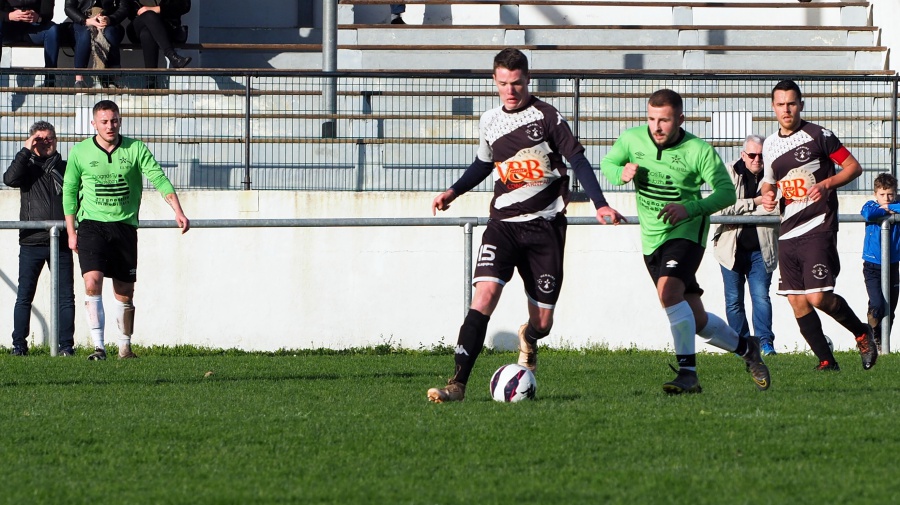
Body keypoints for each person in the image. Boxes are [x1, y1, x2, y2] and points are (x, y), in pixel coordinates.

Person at [426, 48, 625, 403]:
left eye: (516, 83)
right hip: (502, 225)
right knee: (484, 296)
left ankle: (529, 337)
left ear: (528, 80)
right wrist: (453, 191)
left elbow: (577, 159)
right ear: (494, 80)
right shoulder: (489, 120)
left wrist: (601, 203)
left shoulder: (547, 117)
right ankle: (457, 385)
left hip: (545, 228)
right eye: (503, 83)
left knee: (543, 323)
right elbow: (483, 163)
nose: (510, 90)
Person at [600, 89, 770, 394]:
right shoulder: (632, 139)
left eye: (664, 120)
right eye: (651, 119)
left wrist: (689, 209)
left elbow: (725, 193)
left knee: (668, 292)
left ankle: (688, 374)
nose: (656, 127)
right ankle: (747, 348)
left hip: (687, 232)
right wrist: (620, 173)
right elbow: (608, 165)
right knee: (697, 318)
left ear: (680, 119)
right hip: (652, 239)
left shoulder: (698, 150)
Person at [760, 79, 877, 371]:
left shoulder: (818, 136)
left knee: (818, 296)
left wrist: (827, 184)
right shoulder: (770, 144)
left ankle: (862, 333)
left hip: (818, 225)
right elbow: (769, 181)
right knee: (796, 300)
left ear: (801, 104)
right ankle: (827, 361)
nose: (786, 109)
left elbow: (853, 167)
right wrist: (768, 193)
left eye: (791, 103)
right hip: (788, 230)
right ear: (773, 107)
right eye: (780, 104)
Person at [62, 99, 190, 360]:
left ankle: (125, 347)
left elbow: (158, 177)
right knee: (92, 282)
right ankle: (98, 347)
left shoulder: (135, 148)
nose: (110, 126)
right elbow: (69, 191)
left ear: (120, 121)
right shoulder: (80, 152)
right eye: (104, 122)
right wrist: (71, 231)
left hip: (124, 226)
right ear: (94, 123)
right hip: (92, 225)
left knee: (124, 291)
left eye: (114, 121)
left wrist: (177, 210)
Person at [3, 121, 75, 356]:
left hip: (61, 241)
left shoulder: (65, 167)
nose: (45, 143)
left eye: (49, 138)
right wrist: (26, 150)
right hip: (31, 241)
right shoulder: (26, 167)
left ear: (56, 140)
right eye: (39, 139)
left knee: (66, 297)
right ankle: (19, 346)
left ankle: (66, 347)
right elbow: (9, 179)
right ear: (32, 141)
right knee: (25, 296)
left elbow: (77, 195)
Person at [712, 134, 779, 356]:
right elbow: (719, 207)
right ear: (743, 155)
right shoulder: (727, 172)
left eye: (761, 155)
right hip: (730, 250)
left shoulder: (775, 175)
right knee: (733, 301)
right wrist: (756, 202)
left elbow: (777, 210)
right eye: (752, 155)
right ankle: (741, 346)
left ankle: (765, 344)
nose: (757, 159)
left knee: (761, 298)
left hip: (762, 250)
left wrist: (737, 210)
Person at [860, 172, 900, 353]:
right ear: (875, 194)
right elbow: (868, 213)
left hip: (892, 265)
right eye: (882, 194)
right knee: (877, 305)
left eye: (890, 194)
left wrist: (892, 207)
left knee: (890, 309)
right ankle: (872, 336)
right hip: (872, 266)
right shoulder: (871, 205)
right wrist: (885, 210)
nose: (886, 198)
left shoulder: (895, 206)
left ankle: (883, 345)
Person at [64, 0, 128, 89]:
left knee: (109, 33)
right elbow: (69, 7)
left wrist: (109, 19)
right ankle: (79, 80)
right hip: (82, 21)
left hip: (109, 21)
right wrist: (86, 20)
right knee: (85, 34)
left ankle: (113, 77)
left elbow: (124, 8)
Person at [0, 0, 60, 86]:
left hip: (33, 27)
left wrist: (38, 17)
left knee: (52, 30)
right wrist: (9, 16)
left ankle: (50, 80)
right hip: (8, 28)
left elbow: (48, 13)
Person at [126, 0, 191, 74]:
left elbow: (185, 5)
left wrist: (158, 9)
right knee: (149, 15)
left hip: (165, 28)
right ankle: (172, 55)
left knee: (147, 33)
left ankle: (151, 78)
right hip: (137, 27)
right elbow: (123, 8)